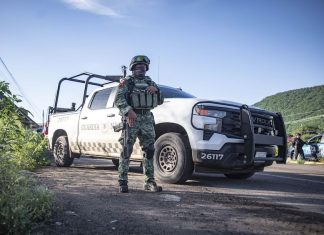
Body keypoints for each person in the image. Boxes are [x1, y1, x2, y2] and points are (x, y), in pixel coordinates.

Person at [114, 55, 163, 193]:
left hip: (147, 118)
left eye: (143, 67)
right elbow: (118, 99)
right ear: (133, 68)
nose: (141, 69)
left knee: (149, 151)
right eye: (138, 67)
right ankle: (122, 181)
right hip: (132, 119)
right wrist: (128, 111)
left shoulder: (150, 82)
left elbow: (160, 100)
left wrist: (157, 91)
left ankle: (149, 182)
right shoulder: (127, 82)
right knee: (126, 149)